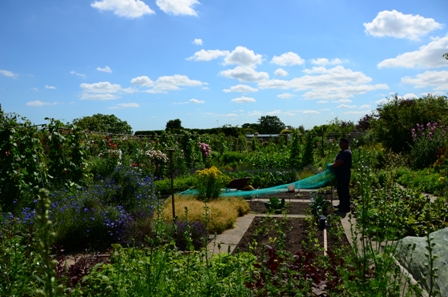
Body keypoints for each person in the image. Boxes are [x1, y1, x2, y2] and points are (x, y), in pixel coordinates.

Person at [329, 138, 352, 213]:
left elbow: (340, 162)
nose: (340, 144)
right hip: (340, 174)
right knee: (340, 190)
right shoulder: (343, 152)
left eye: (341, 143)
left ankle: (345, 207)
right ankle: (341, 204)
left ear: (345, 143)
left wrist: (332, 165)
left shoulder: (346, 152)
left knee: (344, 190)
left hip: (344, 174)